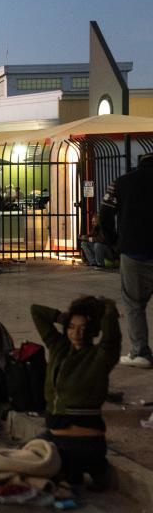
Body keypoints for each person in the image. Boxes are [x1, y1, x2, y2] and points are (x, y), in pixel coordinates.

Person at [31, 296, 120, 489]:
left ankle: (87, 470)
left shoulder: (100, 356)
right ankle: (79, 473)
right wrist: (64, 318)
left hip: (84, 443)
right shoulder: (59, 347)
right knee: (24, 457)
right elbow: (36, 310)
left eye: (83, 328)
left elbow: (112, 336)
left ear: (93, 330)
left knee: (35, 467)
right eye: (72, 327)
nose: (77, 333)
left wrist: (104, 308)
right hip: (55, 436)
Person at [100, 152, 153, 368]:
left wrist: (114, 242)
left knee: (134, 304)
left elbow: (105, 215)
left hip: (134, 252)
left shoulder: (122, 182)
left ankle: (140, 352)